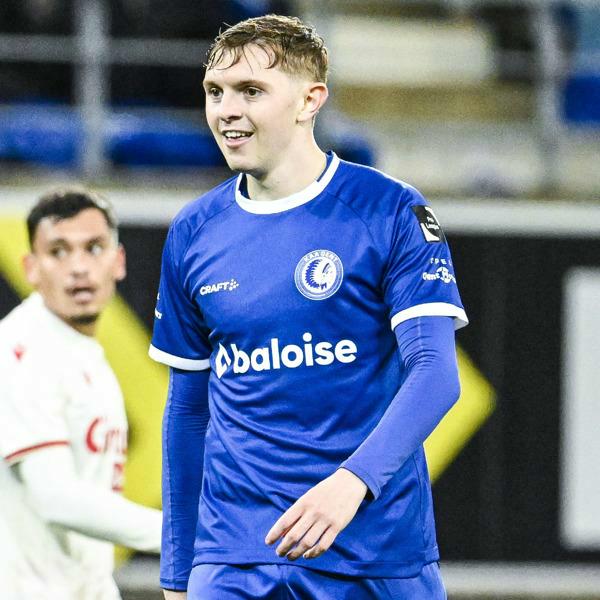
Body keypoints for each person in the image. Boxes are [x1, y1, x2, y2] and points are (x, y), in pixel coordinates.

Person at [149, 14, 467, 600]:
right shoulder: (193, 231)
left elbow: (435, 374)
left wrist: (351, 483)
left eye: (251, 91)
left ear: (309, 100)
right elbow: (188, 411)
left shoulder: (389, 210)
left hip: (374, 551)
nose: (226, 111)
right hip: (234, 555)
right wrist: (176, 574)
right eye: (215, 92)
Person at [0, 188, 162, 599]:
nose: (78, 268)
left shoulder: (83, 354)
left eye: (93, 248)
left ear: (118, 261)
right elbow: (55, 498)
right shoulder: (21, 350)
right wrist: (181, 536)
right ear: (31, 268)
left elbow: (86, 511)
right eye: (58, 251)